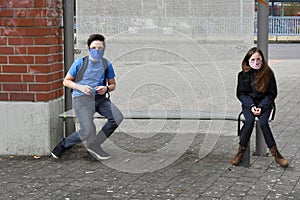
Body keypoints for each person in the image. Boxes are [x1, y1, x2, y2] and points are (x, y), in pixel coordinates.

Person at [51, 34, 123, 161]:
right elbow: (66, 81)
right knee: (87, 130)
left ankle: (94, 145)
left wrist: (105, 88)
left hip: (99, 99)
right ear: (88, 49)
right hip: (81, 99)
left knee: (117, 117)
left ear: (104, 49)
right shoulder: (80, 63)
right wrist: (80, 87)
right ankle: (62, 145)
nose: (96, 51)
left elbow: (113, 85)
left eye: (99, 48)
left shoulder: (106, 64)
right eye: (93, 48)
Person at [230, 47, 288, 168]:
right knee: (249, 121)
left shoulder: (268, 73)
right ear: (248, 60)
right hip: (249, 104)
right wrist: (251, 106)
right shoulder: (242, 75)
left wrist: (261, 107)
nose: (256, 62)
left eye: (259, 59)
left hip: (265, 104)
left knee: (263, 122)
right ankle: (240, 152)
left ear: (262, 60)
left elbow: (272, 93)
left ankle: (276, 154)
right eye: (253, 59)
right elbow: (240, 93)